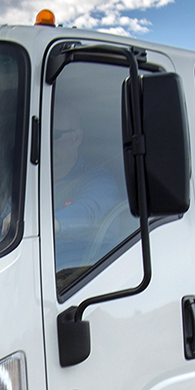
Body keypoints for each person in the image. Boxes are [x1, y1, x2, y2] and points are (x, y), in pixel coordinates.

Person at [51, 105, 129, 273]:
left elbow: (88, 213)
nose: (46, 142)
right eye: (42, 135)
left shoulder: (100, 180)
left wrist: (48, 223)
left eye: (54, 135)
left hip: (78, 281)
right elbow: (1, 227)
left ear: (77, 138)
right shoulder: (32, 190)